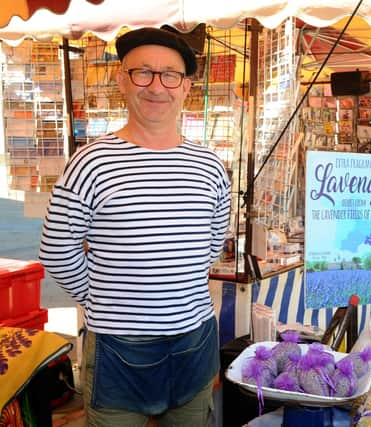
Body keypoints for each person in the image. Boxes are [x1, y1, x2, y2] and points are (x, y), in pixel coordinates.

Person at [39, 27, 231, 426]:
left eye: (170, 75)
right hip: (117, 347)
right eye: (142, 72)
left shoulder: (210, 166)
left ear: (186, 86)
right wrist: (99, 300)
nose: (156, 86)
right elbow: (57, 249)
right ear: (122, 80)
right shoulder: (91, 162)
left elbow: (213, 245)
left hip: (193, 340)